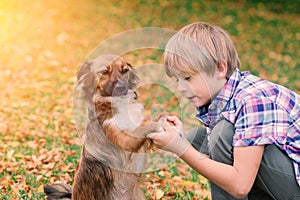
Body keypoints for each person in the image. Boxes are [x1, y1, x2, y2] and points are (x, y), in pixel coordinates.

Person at [147, 22, 300, 199]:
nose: (181, 88)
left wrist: (181, 149)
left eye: (187, 78)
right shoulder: (224, 98)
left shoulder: (253, 100)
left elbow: (240, 186)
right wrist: (180, 141)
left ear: (220, 68)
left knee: (222, 133)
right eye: (177, 80)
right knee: (197, 139)